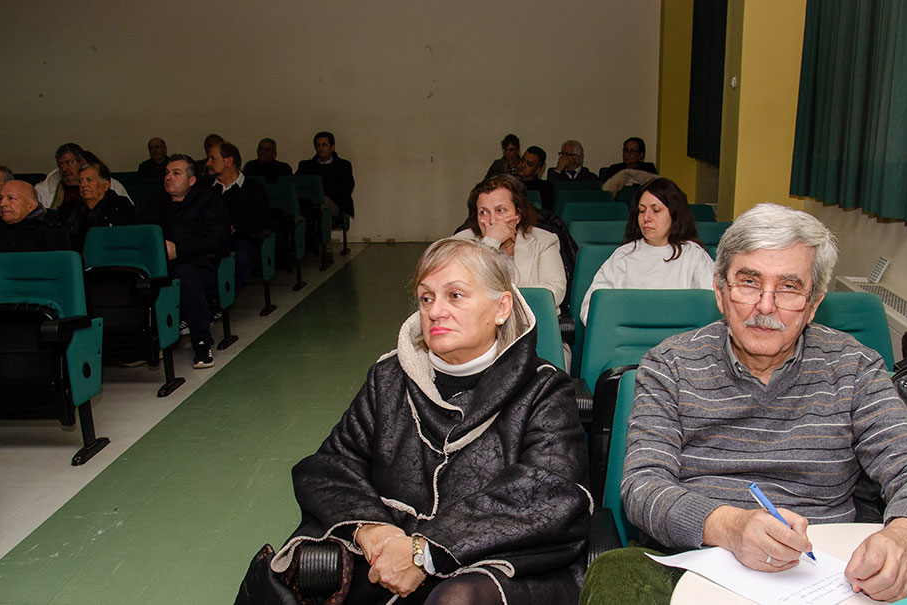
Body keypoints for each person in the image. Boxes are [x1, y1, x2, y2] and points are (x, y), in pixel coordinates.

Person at [581, 203, 907, 604]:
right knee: (615, 575)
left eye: (789, 288)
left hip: (823, 571)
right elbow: (643, 487)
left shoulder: (856, 368)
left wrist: (904, 537)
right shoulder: (668, 365)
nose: (765, 306)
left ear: (813, 305)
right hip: (691, 560)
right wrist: (730, 527)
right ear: (720, 292)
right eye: (749, 282)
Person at [268, 237, 591, 604]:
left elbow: (548, 491)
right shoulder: (388, 379)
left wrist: (425, 551)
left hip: (498, 569)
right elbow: (329, 467)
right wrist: (371, 530)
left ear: (501, 307)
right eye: (426, 298)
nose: (436, 311)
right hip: (386, 559)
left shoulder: (544, 389)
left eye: (455, 295)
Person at [136, 154, 232, 369]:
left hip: (200, 265)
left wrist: (178, 249)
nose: (168, 177)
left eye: (176, 173)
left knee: (184, 277)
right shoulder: (154, 202)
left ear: (191, 180)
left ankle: (202, 343)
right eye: (167, 173)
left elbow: (217, 239)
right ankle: (145, 344)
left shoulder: (208, 201)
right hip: (159, 264)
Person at [579, 178, 713, 323]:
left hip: (681, 336)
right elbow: (591, 309)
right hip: (628, 335)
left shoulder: (693, 256)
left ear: (674, 214)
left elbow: (713, 308)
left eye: (656, 210)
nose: (646, 218)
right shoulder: (623, 256)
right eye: (642, 211)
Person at [453, 174, 567, 310]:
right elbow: (457, 291)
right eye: (483, 212)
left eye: (500, 210)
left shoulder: (544, 240)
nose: (492, 220)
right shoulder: (460, 242)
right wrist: (491, 242)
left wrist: (500, 303)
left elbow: (553, 293)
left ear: (518, 215)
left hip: (535, 318)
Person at [0, 180, 69, 293]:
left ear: (31, 205)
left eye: (11, 198)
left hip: (34, 293)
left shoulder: (52, 228)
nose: (2, 204)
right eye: (1, 198)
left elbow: (57, 270)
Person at [205, 141, 273, 290]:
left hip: (241, 239)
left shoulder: (253, 188)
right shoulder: (205, 188)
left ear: (228, 161)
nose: (208, 163)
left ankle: (222, 297)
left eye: (212, 159)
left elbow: (263, 218)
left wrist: (234, 228)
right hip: (209, 239)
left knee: (242, 256)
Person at [62, 159, 134, 252]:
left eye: (89, 180)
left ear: (106, 185)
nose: (83, 185)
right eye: (80, 181)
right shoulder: (72, 208)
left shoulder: (120, 206)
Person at [35, 143, 129, 210]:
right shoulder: (46, 188)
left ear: (82, 162)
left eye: (68, 163)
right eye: (61, 165)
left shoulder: (109, 184)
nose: (64, 169)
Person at [295, 130, 355, 220]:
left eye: (324, 145)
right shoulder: (305, 166)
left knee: (322, 201)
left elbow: (347, 187)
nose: (321, 148)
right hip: (309, 201)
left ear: (332, 147)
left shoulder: (343, 165)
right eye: (318, 145)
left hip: (335, 203)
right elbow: (297, 183)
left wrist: (322, 193)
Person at [516, 145, 554, 211]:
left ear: (538, 170)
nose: (523, 165)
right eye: (522, 160)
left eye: (529, 164)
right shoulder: (510, 183)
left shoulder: (545, 187)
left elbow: (545, 212)